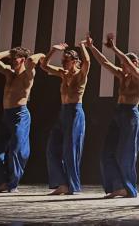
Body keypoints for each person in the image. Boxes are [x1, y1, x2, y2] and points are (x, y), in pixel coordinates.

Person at [86, 33, 139, 198]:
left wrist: (114, 48)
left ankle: (127, 188)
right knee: (107, 152)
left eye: (127, 63)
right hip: (118, 114)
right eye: (123, 63)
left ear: (135, 64)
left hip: (131, 115)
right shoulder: (122, 75)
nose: (123, 65)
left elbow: (126, 62)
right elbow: (105, 63)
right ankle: (117, 186)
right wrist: (92, 47)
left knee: (125, 154)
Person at [0, 46, 45, 193]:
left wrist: (42, 53)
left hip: (20, 115)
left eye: (14, 58)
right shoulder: (9, 73)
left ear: (22, 60)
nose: (11, 61)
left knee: (16, 150)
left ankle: (13, 184)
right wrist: (10, 52)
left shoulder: (28, 74)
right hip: (6, 116)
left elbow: (31, 60)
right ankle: (1, 182)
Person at [40, 37, 91, 195]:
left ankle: (72, 186)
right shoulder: (63, 73)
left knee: (70, 150)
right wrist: (54, 50)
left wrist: (83, 46)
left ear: (75, 61)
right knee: (52, 148)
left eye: (66, 60)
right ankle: (62, 183)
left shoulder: (81, 74)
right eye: (62, 60)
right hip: (63, 112)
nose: (63, 63)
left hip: (75, 112)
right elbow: (44, 65)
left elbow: (87, 62)